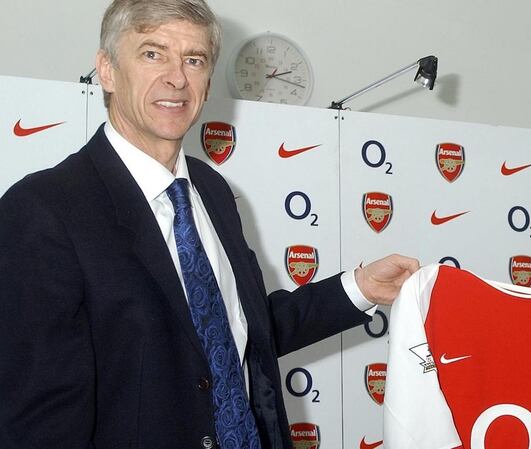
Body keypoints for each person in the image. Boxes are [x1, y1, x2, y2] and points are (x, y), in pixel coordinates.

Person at [0, 1, 418, 448]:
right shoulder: (42, 209)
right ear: (106, 70)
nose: (177, 78)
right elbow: (36, 420)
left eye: (194, 59)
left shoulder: (211, 190)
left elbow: (236, 329)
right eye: (152, 53)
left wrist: (359, 289)